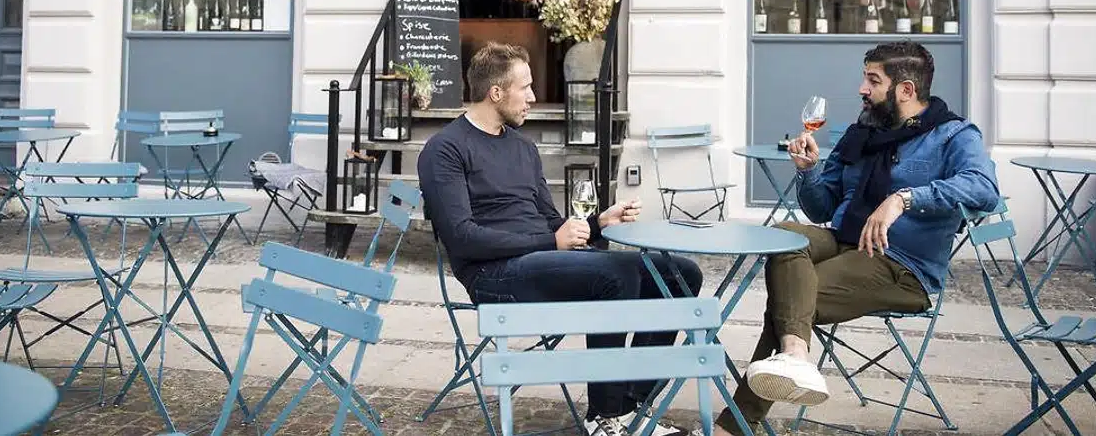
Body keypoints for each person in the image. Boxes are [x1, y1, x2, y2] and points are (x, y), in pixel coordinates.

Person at [711, 40, 1000, 436]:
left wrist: (903, 199)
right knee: (785, 235)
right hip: (846, 241)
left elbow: (984, 189)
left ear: (905, 89)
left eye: (872, 80)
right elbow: (821, 209)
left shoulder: (953, 136)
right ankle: (795, 355)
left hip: (903, 266)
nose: (862, 89)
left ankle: (737, 424)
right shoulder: (862, 132)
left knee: (790, 302)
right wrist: (808, 171)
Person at [420, 41, 703, 436]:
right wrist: (550, 242)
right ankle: (604, 417)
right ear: (496, 92)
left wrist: (599, 223)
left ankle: (632, 406)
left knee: (679, 273)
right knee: (615, 275)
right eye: (526, 88)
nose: (534, 98)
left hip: (540, 262)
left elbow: (554, 223)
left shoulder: (523, 146)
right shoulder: (445, 150)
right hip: (492, 275)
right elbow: (464, 239)